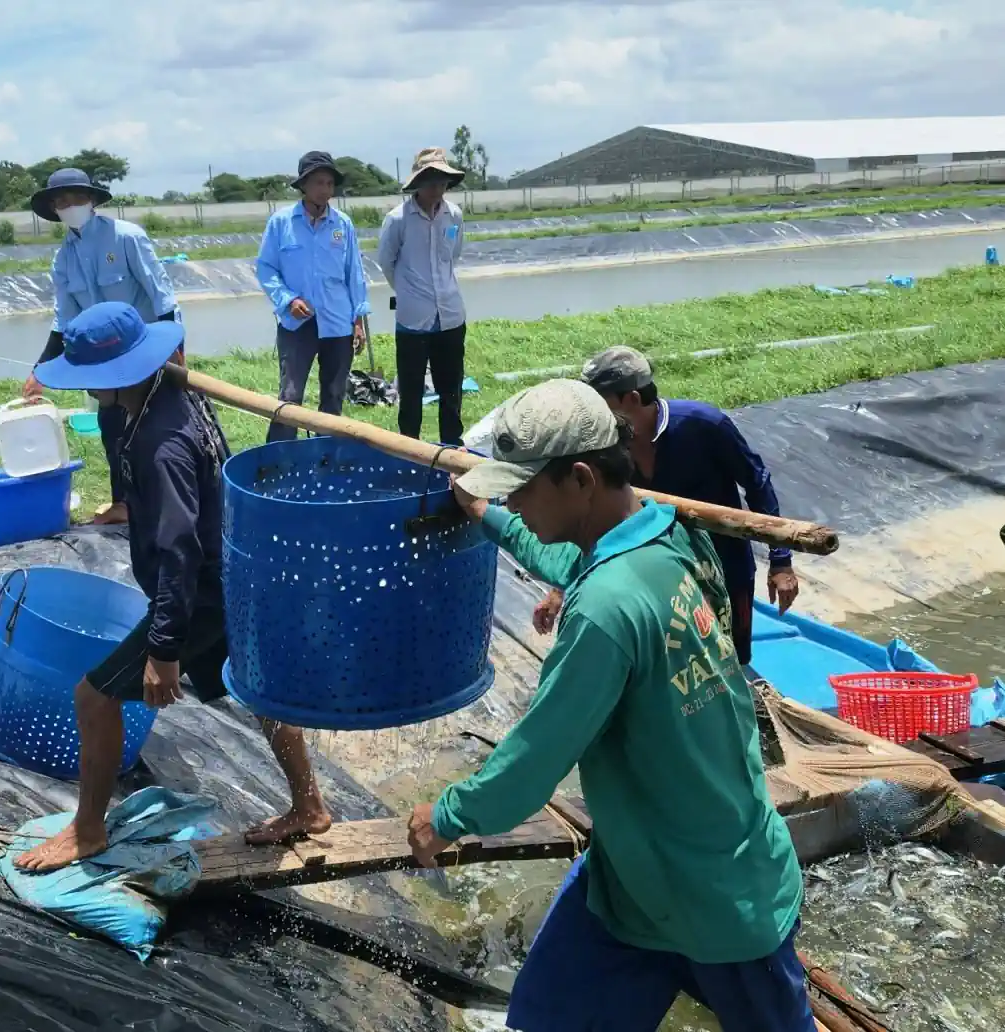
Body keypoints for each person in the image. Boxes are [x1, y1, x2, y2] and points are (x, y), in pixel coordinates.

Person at [405, 378, 810, 1032]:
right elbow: (566, 561)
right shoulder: (673, 538)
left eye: (520, 487)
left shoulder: (600, 614)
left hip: (717, 897)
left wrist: (447, 816)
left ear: (581, 480)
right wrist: (490, 516)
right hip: (636, 879)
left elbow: (533, 762)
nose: (510, 498)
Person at [14, 301, 332, 873]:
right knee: (254, 689)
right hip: (234, 577)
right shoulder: (173, 398)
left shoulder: (159, 444)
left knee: (94, 697)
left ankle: (87, 831)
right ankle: (309, 804)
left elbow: (179, 550)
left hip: (203, 591)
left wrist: (164, 650)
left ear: (112, 378)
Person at [524, 346, 798, 665]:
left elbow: (756, 482)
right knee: (674, 668)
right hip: (656, 578)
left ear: (632, 400)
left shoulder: (704, 425)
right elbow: (593, 517)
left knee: (731, 662)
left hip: (725, 569)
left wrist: (781, 561)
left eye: (600, 403)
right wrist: (561, 587)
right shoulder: (607, 447)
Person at [23, 167, 182, 527]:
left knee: (159, 422)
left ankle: (169, 498)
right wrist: (40, 369)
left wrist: (175, 347)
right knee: (111, 425)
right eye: (61, 201)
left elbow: (163, 296)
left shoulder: (126, 237)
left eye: (76, 198)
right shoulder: (63, 258)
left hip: (145, 350)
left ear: (91, 200)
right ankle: (122, 503)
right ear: (54, 209)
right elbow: (64, 319)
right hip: (105, 360)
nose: (69, 205)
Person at [256, 151, 371, 444]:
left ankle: (325, 456)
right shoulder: (281, 223)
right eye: (319, 182)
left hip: (337, 323)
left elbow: (354, 273)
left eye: (330, 183)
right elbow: (266, 268)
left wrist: (358, 320)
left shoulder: (342, 225)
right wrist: (287, 300)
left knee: (333, 395)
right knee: (290, 395)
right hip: (297, 324)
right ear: (304, 185)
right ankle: (280, 457)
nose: (325, 190)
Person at [378, 147, 468, 445]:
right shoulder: (398, 219)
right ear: (418, 182)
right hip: (413, 318)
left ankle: (452, 452)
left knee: (451, 389)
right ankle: (410, 450)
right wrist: (408, 291)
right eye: (430, 180)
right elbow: (387, 262)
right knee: (412, 392)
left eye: (442, 181)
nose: (437, 188)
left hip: (450, 315)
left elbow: (451, 257)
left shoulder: (454, 215)